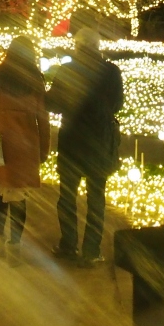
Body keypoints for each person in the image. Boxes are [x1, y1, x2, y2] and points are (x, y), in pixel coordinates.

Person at [45, 28, 123, 267]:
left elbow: (53, 104)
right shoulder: (111, 72)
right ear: (97, 46)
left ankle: (69, 244)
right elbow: (118, 104)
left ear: (77, 46)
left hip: (72, 141)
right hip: (99, 142)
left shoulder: (67, 70)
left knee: (67, 196)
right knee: (96, 197)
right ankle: (92, 249)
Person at [0, 35, 50, 266]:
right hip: (25, 147)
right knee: (19, 199)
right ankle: (14, 246)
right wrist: (44, 149)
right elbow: (43, 118)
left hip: (0, 145)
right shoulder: (35, 80)